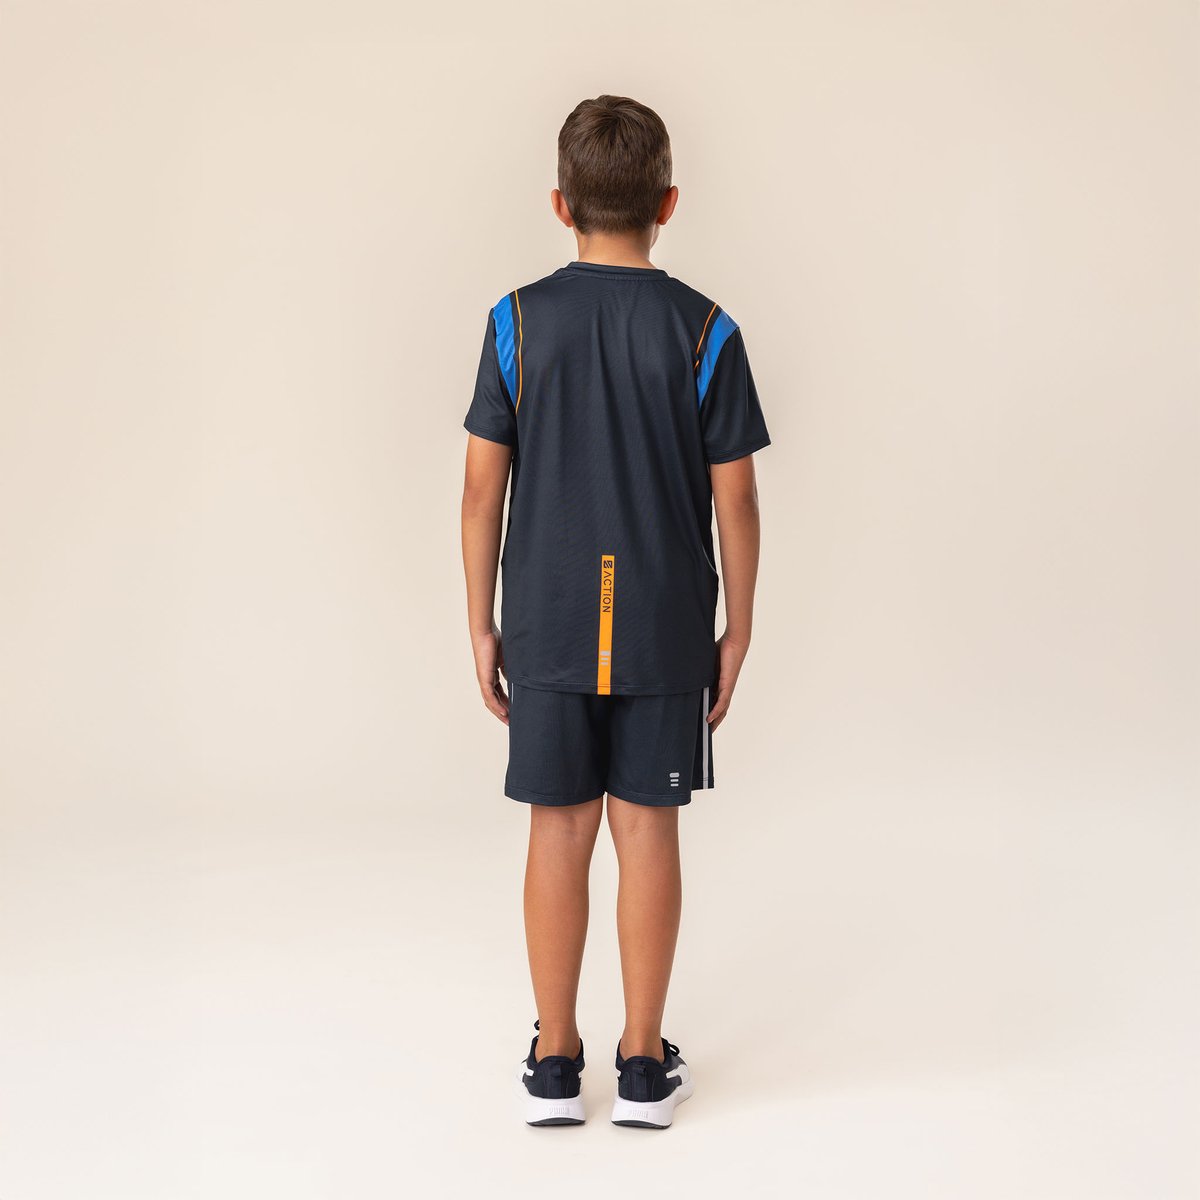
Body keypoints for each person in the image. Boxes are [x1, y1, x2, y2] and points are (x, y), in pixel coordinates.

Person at [460, 94, 769, 1129]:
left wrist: (481, 622)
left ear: (561, 204)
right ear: (668, 203)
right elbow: (736, 498)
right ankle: (642, 1067)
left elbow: (480, 491)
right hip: (661, 625)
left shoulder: (514, 322)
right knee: (647, 829)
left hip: (549, 621)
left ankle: (555, 1063)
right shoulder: (707, 330)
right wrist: (739, 628)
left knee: (558, 830)